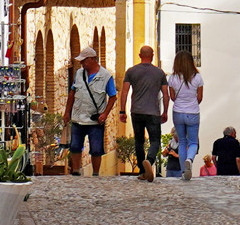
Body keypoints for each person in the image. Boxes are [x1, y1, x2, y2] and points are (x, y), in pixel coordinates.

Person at [65, 48, 118, 177]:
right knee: (75, 146)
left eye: (84, 61)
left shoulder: (106, 76)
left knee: (96, 149)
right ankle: (76, 171)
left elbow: (113, 96)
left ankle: (95, 173)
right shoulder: (79, 74)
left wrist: (105, 114)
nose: (82, 63)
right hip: (78, 117)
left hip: (95, 120)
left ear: (92, 59)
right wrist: (67, 112)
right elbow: (72, 93)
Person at [124, 46, 169, 181]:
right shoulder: (159, 73)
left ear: (139, 55)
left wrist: (122, 110)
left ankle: (143, 171)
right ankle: (149, 160)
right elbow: (165, 94)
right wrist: (165, 111)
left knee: (139, 141)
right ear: (153, 56)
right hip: (153, 112)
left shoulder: (131, 71)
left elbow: (125, 92)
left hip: (136, 111)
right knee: (155, 140)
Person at [169, 52, 205, 179]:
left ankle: (184, 172)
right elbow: (199, 98)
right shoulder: (197, 77)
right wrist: (192, 103)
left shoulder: (172, 78)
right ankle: (189, 159)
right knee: (193, 142)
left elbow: (172, 97)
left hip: (178, 112)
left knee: (182, 142)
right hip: (193, 112)